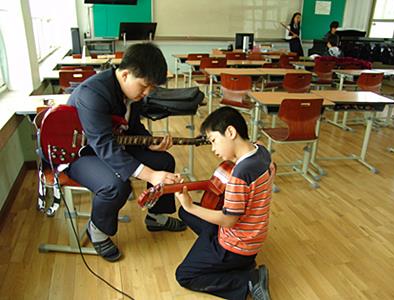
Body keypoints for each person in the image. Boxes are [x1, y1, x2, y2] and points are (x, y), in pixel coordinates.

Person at [66, 43, 187, 262]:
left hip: (108, 146)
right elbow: (104, 145)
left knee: (164, 161)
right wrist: (149, 175)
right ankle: (98, 230)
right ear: (125, 74)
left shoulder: (133, 93)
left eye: (151, 87)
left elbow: (132, 127)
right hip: (78, 154)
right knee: (115, 185)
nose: (147, 92)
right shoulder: (92, 94)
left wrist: (148, 143)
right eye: (145, 85)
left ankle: (156, 216)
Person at [174, 107, 275, 300]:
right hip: (253, 237)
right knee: (185, 214)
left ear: (230, 132)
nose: (213, 149)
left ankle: (248, 280)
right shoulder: (262, 151)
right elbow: (258, 143)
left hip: (235, 246)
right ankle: (230, 259)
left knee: (185, 275)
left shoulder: (240, 173)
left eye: (213, 141)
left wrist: (191, 206)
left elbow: (228, 221)